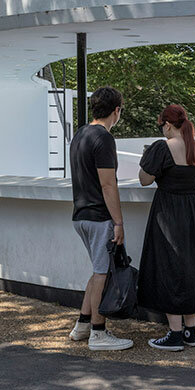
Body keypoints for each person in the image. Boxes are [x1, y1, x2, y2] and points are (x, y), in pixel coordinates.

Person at [137, 104, 195, 351]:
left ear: (167, 124)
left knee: (169, 267)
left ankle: (175, 334)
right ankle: (191, 332)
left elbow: (144, 179)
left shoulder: (163, 147)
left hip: (168, 214)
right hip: (192, 213)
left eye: (162, 126)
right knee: (191, 267)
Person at [67, 86, 133, 351]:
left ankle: (82, 326)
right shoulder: (104, 138)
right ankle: (99, 333)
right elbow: (108, 185)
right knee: (102, 274)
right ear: (116, 111)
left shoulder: (80, 134)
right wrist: (118, 222)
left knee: (98, 271)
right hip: (99, 218)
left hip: (80, 215)